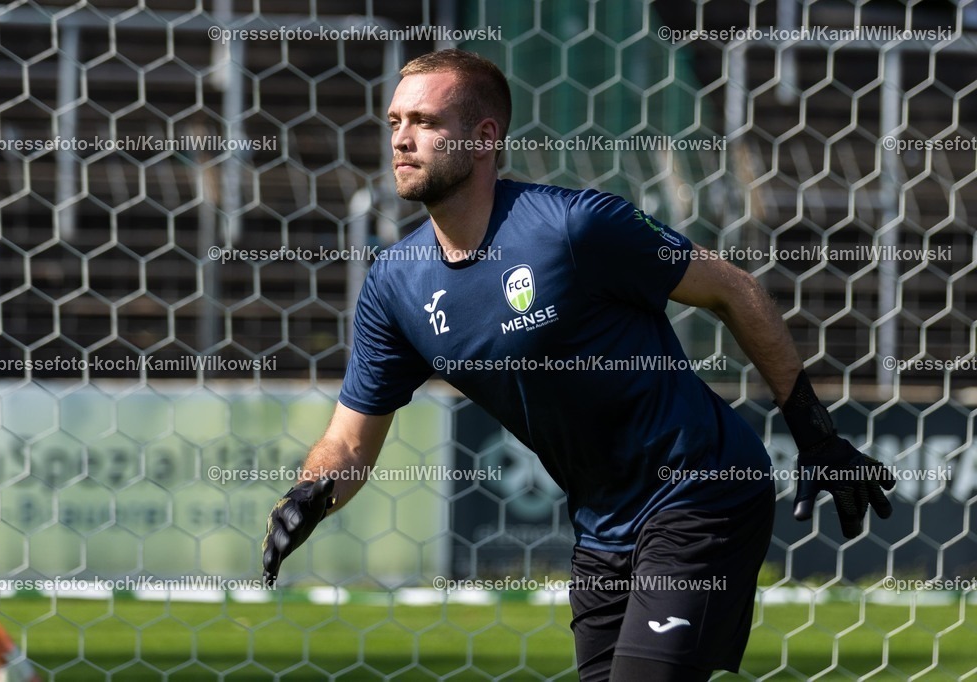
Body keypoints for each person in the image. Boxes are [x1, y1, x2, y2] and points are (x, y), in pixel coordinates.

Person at [261, 49, 894, 682]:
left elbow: (733, 288)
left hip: (703, 490)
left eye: (425, 121)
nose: (402, 137)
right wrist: (311, 493)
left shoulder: (573, 228)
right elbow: (348, 441)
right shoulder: (394, 284)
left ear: (484, 139)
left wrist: (816, 434)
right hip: (601, 526)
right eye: (396, 120)